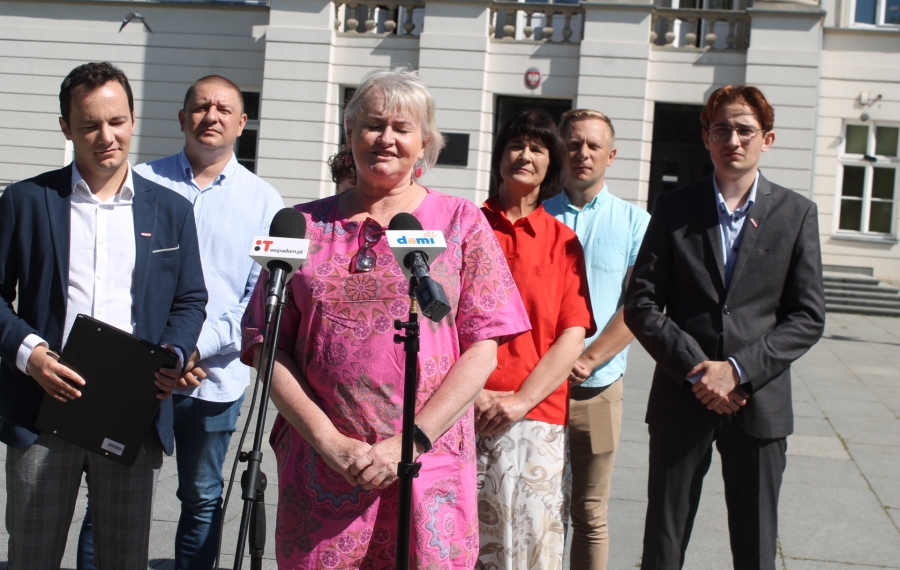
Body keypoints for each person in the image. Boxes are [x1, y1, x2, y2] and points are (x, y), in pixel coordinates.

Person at [239, 66, 531, 569]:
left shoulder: (461, 222)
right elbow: (266, 344)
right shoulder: (301, 225)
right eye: (373, 125)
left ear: (425, 143)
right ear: (350, 132)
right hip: (324, 465)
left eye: (402, 128)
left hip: (427, 463)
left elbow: (484, 347)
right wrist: (329, 441)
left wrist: (410, 442)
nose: (386, 139)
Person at [0, 62, 208, 569]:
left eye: (116, 121)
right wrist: (30, 354)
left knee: (123, 558)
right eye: (90, 124)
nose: (106, 136)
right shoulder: (27, 201)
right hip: (42, 409)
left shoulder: (171, 210)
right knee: (31, 557)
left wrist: (174, 354)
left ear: (133, 119)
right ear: (66, 128)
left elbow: (190, 299)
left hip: (131, 410)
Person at [77, 75, 285, 570]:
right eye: (200, 107)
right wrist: (162, 353)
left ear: (242, 122)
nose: (211, 116)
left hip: (213, 378)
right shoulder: (139, 181)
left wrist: (192, 349)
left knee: (202, 497)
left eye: (223, 109)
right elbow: (115, 279)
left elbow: (255, 300)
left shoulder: (265, 203)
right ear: (181, 117)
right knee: (108, 497)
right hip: (136, 372)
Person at [624, 85, 825, 570]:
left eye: (745, 130)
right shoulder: (674, 207)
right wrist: (701, 370)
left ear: (767, 139)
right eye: (722, 130)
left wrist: (736, 370)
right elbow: (642, 304)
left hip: (758, 401)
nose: (733, 140)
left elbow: (807, 316)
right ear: (706, 138)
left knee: (756, 545)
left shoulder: (796, 213)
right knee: (663, 541)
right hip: (682, 395)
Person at [476, 109, 596, 570]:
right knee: (463, 543)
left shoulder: (563, 241)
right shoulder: (465, 226)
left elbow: (572, 334)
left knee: (532, 545)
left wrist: (520, 400)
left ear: (552, 164)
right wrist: (473, 393)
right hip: (463, 409)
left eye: (538, 148)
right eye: (515, 145)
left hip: (536, 416)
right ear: (499, 155)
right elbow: (436, 325)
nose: (524, 155)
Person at [543, 109, 650, 570]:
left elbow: (640, 306)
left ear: (611, 155)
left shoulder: (635, 222)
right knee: (537, 506)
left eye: (593, 145)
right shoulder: (536, 214)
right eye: (573, 144)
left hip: (598, 388)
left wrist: (586, 360)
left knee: (590, 512)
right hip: (536, 386)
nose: (582, 153)